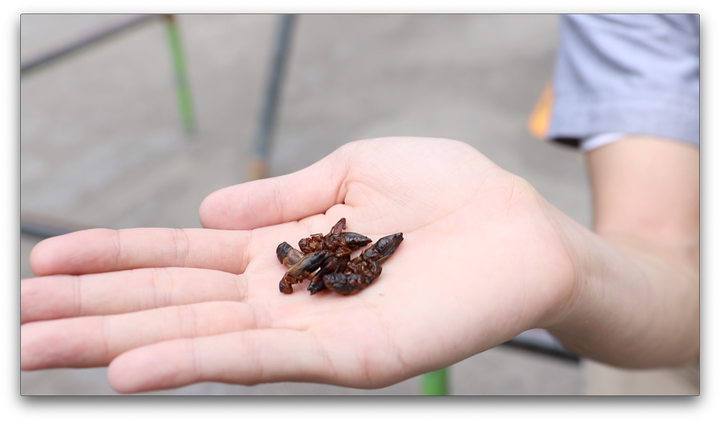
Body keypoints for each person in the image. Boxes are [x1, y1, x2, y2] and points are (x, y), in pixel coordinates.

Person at [21, 14, 698, 394]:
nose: (326, 259)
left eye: (327, 259)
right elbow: (657, 235)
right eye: (326, 259)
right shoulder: (639, 24)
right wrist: (572, 267)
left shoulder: (337, 260)